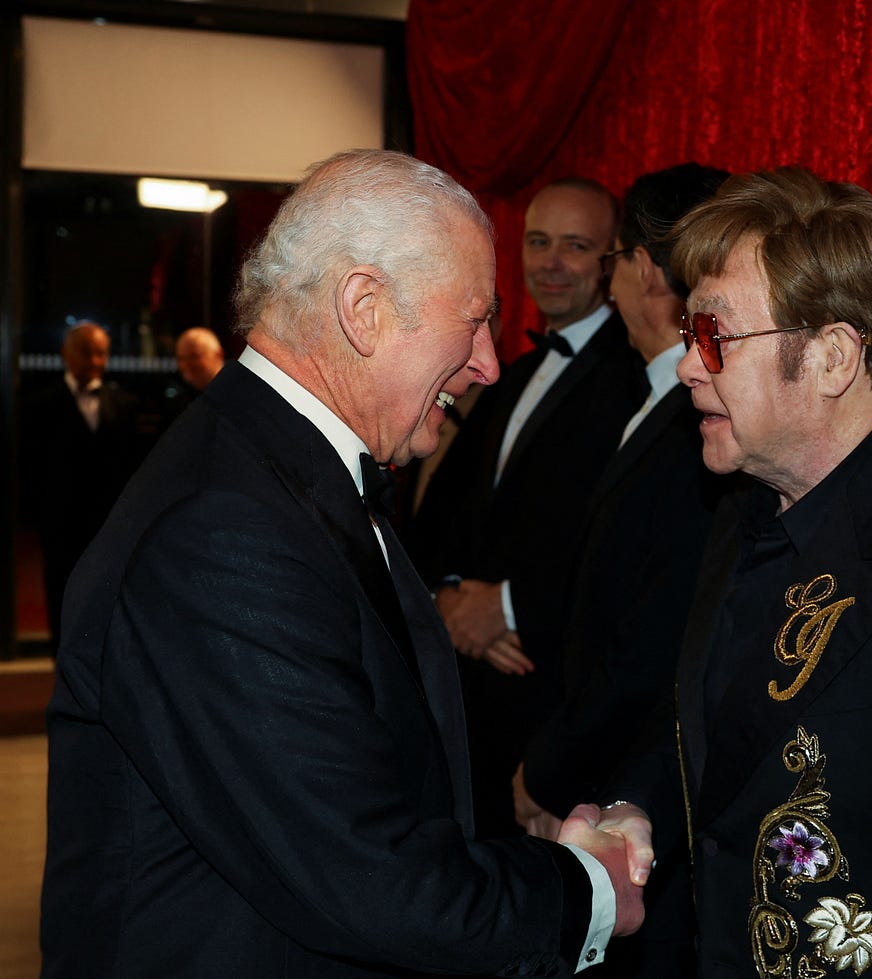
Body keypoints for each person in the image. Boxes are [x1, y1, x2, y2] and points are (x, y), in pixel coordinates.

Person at [42, 149, 644, 978]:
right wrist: (590, 886)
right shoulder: (221, 530)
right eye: (472, 320)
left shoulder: (279, 470)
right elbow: (369, 879)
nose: (487, 364)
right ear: (363, 307)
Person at [598, 166, 872, 979]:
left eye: (714, 337)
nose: (689, 367)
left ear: (834, 356)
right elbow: (714, 733)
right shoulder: (742, 508)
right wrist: (634, 807)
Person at [513, 162, 731, 977]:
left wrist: (549, 770)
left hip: (628, 798)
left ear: (637, 265)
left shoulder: (696, 422)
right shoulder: (652, 398)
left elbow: (652, 643)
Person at [432, 177, 646, 837]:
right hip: (474, 707)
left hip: (557, 713)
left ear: (614, 261)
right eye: (538, 241)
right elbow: (443, 517)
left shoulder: (639, 378)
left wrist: (505, 606)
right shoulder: (512, 372)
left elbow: (629, 552)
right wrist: (446, 597)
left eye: (576, 246)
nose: (552, 262)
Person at [21, 319, 141, 646]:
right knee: (61, 597)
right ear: (66, 354)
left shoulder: (125, 405)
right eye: (87, 353)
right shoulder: (39, 406)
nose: (95, 361)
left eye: (102, 353)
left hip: (110, 525)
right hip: (60, 527)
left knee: (109, 602)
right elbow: (30, 468)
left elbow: (132, 466)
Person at [158, 326, 226, 429]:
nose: (185, 365)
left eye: (194, 356)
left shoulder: (236, 392)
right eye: (181, 358)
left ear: (218, 355)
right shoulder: (179, 398)